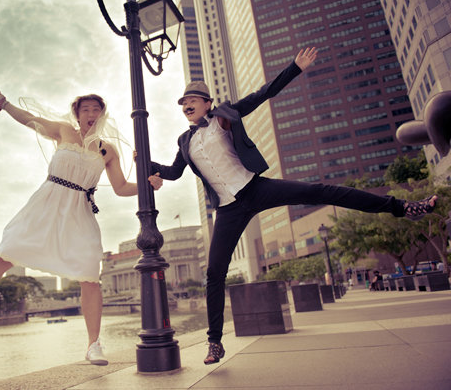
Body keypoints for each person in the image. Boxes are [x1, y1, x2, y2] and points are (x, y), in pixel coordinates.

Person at [150, 47, 438, 364]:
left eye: (191, 100)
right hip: (228, 209)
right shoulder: (184, 141)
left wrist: (295, 68)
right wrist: (147, 164)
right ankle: (215, 343)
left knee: (324, 191)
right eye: (182, 103)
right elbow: (174, 172)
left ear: (207, 102)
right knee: (214, 273)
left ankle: (404, 208)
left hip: (254, 188)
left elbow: (264, 93)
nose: (185, 106)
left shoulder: (225, 116)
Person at [0, 92, 163, 366]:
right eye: (86, 109)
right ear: (77, 114)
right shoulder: (63, 131)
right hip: (46, 204)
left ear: (102, 115)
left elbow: (121, 188)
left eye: (96, 110)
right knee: (5, 255)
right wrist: (5, 105)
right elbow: (30, 119)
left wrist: (147, 185)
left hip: (80, 211)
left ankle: (93, 345)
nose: (91, 114)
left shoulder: (107, 150)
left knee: (90, 276)